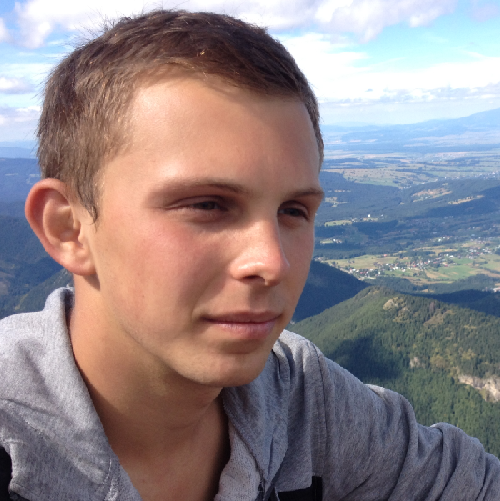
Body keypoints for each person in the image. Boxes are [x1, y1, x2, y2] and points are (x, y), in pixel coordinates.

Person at [0, 9, 499, 501]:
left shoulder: (301, 400)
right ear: (68, 229)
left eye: (294, 210)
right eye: (207, 205)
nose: (272, 262)